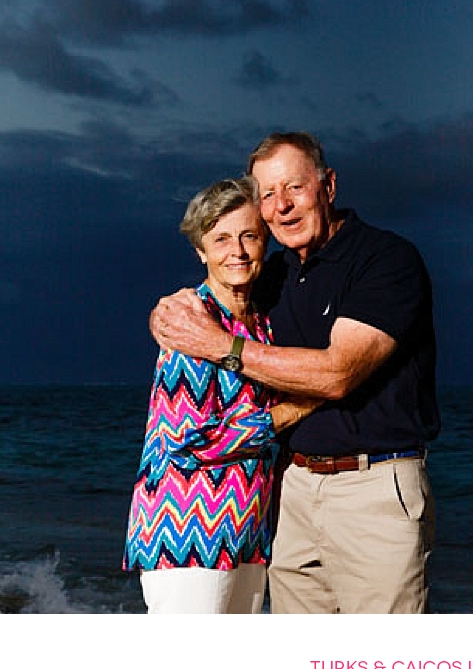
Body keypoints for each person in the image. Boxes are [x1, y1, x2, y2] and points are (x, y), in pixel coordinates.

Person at [150, 133, 439, 614]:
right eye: (267, 194)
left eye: (294, 188)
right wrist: (167, 312)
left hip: (372, 490)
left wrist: (222, 346)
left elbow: (337, 373)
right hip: (289, 495)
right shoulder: (276, 274)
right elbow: (219, 289)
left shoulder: (385, 260)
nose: (281, 206)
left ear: (328, 186)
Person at [125, 177, 318, 614]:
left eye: (249, 236)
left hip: (248, 535)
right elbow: (191, 441)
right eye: (222, 239)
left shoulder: (261, 324)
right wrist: (299, 408)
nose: (238, 251)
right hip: (186, 535)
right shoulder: (189, 322)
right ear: (201, 250)